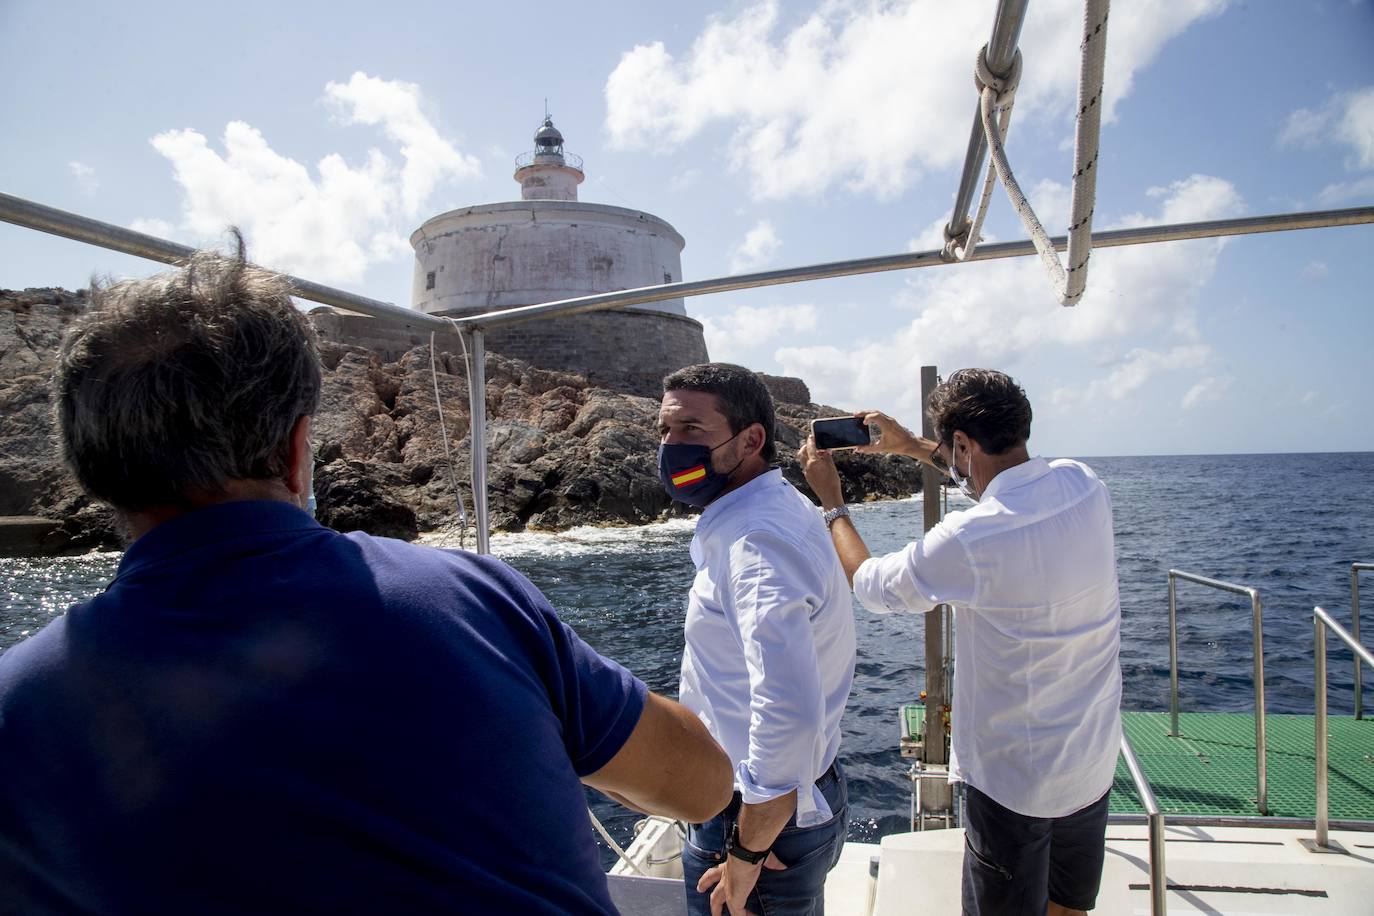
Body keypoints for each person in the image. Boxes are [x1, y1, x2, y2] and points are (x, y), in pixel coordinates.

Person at [0, 239, 733, 915]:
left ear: (92, 468)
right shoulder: (475, 600)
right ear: (296, 451)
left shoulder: (18, 707)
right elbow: (701, 786)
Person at [798, 369, 1123, 916]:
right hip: (1090, 759)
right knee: (1069, 906)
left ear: (966, 445)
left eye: (954, 448)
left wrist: (832, 505)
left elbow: (872, 585)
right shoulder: (1082, 482)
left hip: (1013, 781)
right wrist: (909, 447)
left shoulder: (972, 538)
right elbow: (989, 477)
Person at [657, 363, 856, 916]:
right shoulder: (772, 511)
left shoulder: (755, 541)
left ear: (750, 440)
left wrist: (747, 851)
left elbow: (788, 711)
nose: (672, 447)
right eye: (665, 431)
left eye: (692, 430)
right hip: (785, 804)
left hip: (756, 821)